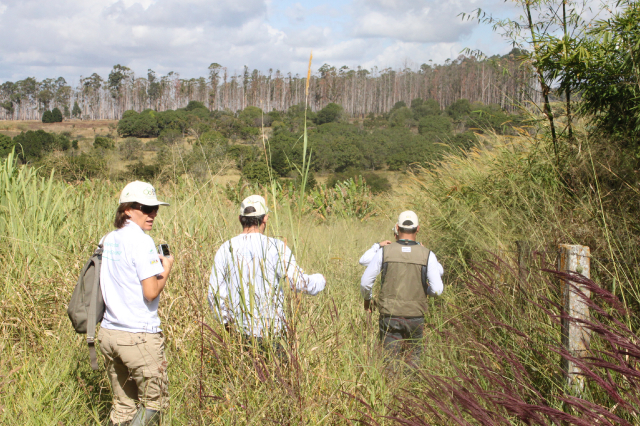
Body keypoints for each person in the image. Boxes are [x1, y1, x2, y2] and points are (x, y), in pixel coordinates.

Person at [98, 181, 174, 426]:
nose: (152, 214)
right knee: (155, 403)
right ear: (127, 209)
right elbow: (150, 292)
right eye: (146, 208)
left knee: (123, 406)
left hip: (109, 333)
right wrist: (166, 269)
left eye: (155, 208)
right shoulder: (142, 241)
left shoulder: (108, 239)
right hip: (138, 335)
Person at [208, 194, 326, 349]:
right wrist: (320, 280)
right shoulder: (276, 247)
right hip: (272, 334)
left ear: (240, 219)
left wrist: (227, 325)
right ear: (265, 218)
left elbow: (214, 293)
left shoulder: (226, 248)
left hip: (239, 333)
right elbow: (298, 282)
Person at [360, 211, 443, 363]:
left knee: (390, 362)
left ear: (397, 228)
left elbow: (366, 282)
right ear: (418, 229)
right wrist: (426, 290)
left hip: (389, 315)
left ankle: (391, 378)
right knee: (412, 361)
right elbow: (437, 289)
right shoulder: (427, 255)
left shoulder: (384, 252)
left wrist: (367, 300)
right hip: (415, 315)